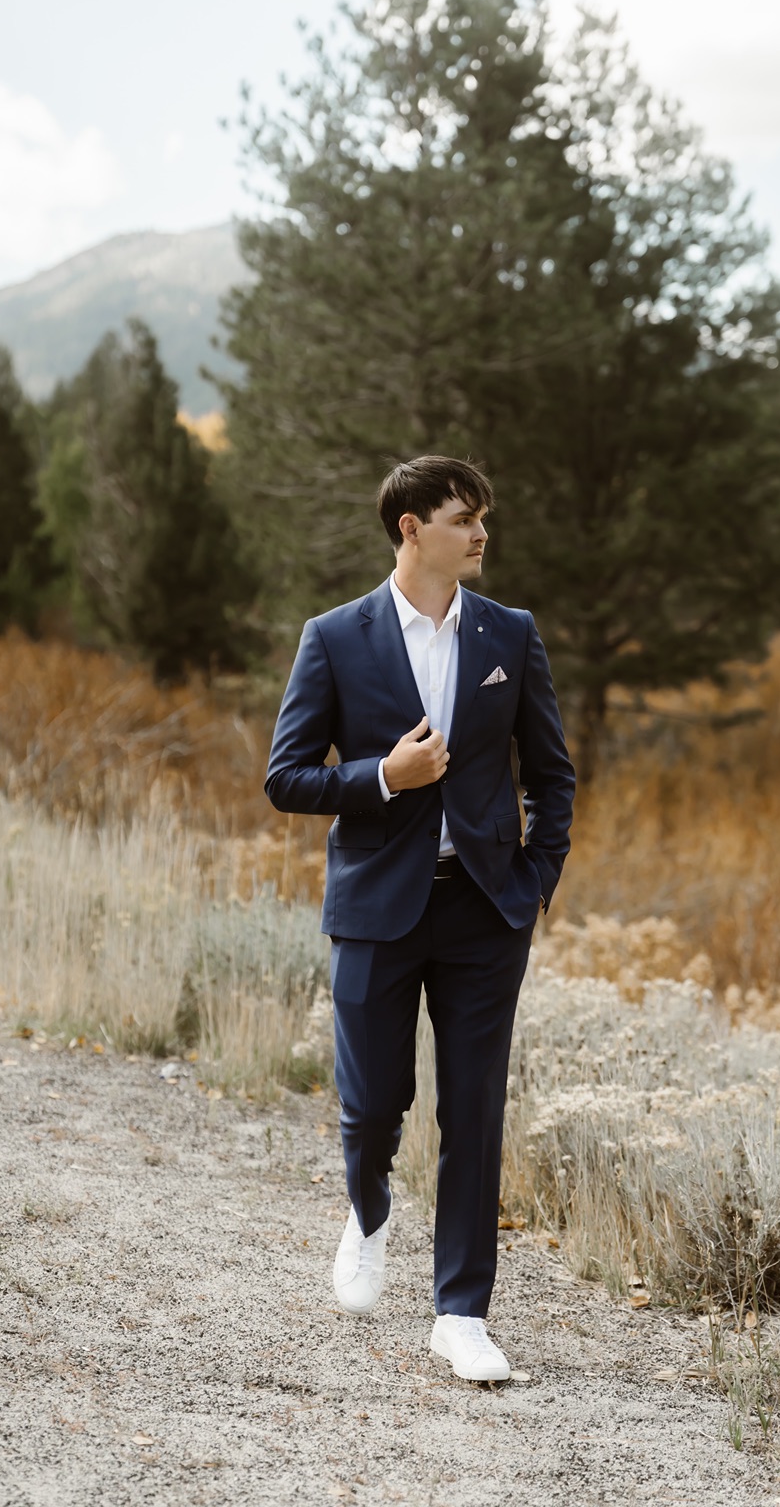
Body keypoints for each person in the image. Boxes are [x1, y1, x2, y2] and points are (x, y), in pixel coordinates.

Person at [265, 455, 575, 1381]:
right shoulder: (333, 637)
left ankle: (461, 1312)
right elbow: (286, 778)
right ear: (410, 529)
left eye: (482, 516)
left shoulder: (509, 635)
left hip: (486, 911)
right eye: (461, 517)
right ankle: (367, 1213)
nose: (480, 533)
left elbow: (551, 772)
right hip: (374, 906)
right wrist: (381, 779)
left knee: (474, 1108)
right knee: (372, 1105)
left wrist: (536, 879)